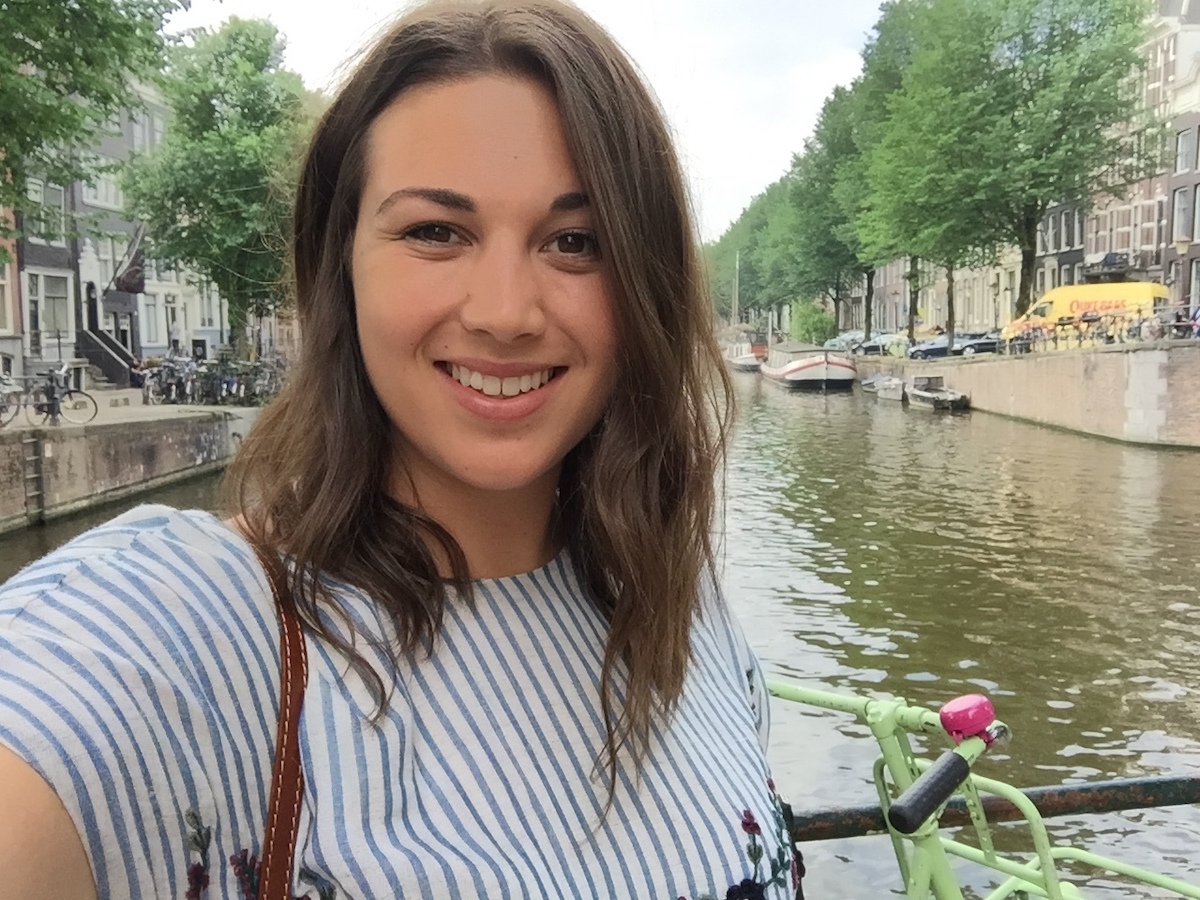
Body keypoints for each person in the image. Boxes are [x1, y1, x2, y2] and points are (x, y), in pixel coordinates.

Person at [0, 2, 795, 899]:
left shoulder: (682, 608)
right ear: (340, 264)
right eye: (435, 233)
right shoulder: (186, 633)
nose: (504, 312)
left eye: (576, 243)